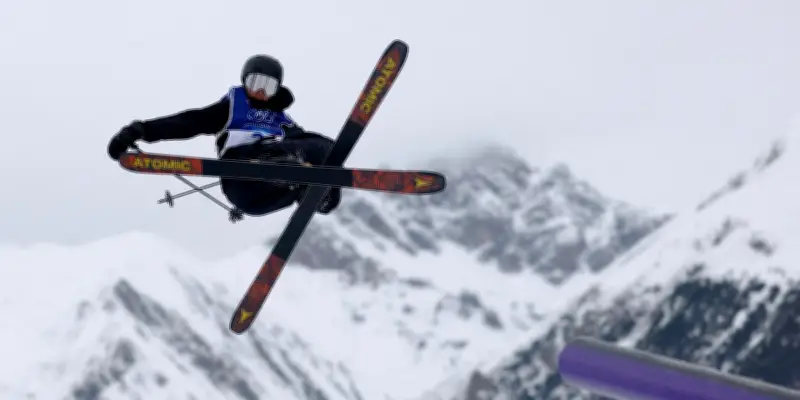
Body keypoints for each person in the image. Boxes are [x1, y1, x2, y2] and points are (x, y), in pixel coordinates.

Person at [107, 54, 341, 217]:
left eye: (268, 86)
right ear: (244, 81)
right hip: (243, 182)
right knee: (277, 150)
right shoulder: (230, 109)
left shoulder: (282, 121)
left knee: (325, 147)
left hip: (267, 198)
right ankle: (278, 166)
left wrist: (325, 161)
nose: (260, 91)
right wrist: (141, 130)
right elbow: (188, 122)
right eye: (255, 83)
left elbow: (309, 144)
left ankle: (317, 193)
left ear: (277, 89)